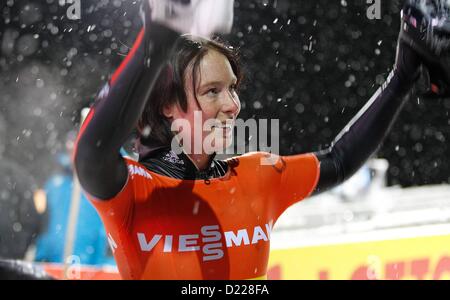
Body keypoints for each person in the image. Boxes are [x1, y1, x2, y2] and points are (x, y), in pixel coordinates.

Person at [73, 0, 449, 279]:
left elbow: (339, 158)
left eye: (232, 89)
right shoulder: (135, 192)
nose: (232, 105)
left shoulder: (257, 176)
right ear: (169, 105)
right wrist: (159, 36)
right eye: (212, 91)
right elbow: (91, 154)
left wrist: (402, 76)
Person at [34, 131, 116, 266]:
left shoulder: (103, 185)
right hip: (56, 266)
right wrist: (42, 257)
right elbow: (44, 227)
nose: (74, 152)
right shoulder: (54, 185)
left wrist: (105, 266)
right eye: (71, 147)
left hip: (93, 269)